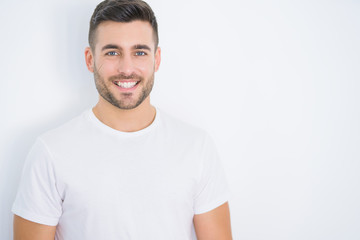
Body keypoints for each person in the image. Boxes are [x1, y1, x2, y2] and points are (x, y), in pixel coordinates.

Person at [12, 0, 232, 239]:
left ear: (156, 60)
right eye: (112, 52)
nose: (126, 68)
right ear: (90, 59)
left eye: (139, 52)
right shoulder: (50, 152)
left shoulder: (197, 147)